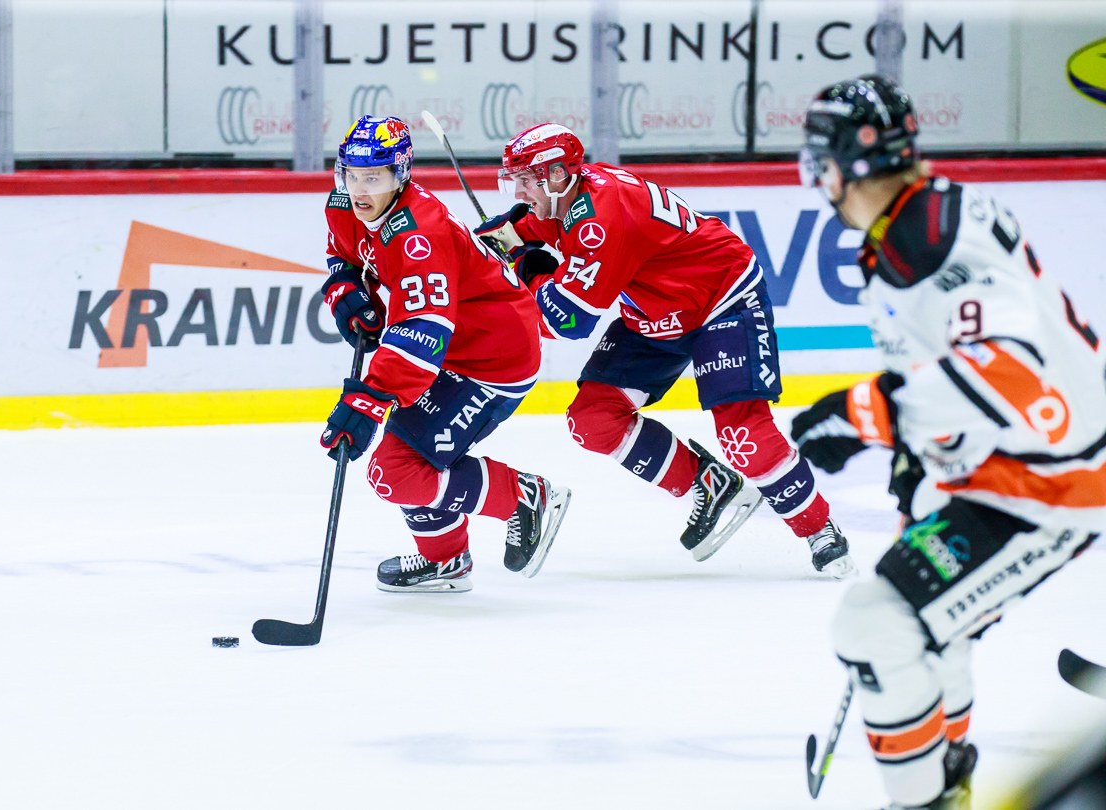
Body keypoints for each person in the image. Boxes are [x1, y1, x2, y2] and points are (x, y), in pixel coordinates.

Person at [791, 74, 1105, 809]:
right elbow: (953, 369)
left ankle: (926, 798)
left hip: (1050, 483)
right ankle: (946, 781)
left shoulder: (925, 236)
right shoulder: (919, 220)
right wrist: (918, 456)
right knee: (931, 635)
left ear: (848, 162)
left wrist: (863, 413)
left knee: (876, 624)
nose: (817, 177)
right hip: (1012, 467)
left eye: (821, 159)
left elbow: (1011, 370)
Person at [473, 122, 853, 577]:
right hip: (655, 314)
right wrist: (500, 238)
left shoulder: (601, 220)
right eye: (515, 180)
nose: (519, 191)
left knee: (744, 436)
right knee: (594, 420)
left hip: (720, 300)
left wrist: (523, 266)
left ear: (557, 174)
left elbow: (567, 321)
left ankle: (819, 529)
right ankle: (707, 483)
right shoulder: (571, 195)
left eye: (526, 180)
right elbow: (524, 226)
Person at [317, 115, 572, 593]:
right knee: (401, 462)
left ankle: (523, 497)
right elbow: (343, 256)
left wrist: (369, 399)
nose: (360, 190)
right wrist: (346, 289)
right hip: (451, 347)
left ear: (400, 175)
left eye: (374, 177)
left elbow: (421, 331)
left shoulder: (420, 234)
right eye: (352, 175)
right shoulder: (343, 204)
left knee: (395, 470)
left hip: (493, 356)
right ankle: (446, 560)